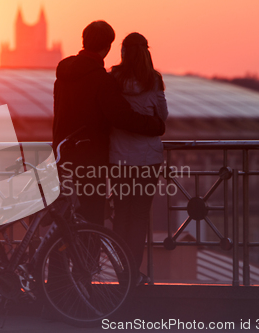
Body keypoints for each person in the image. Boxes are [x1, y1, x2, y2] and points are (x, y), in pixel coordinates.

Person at [52, 21, 165, 228]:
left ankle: (55, 260)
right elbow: (122, 116)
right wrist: (155, 126)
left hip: (62, 155)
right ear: (107, 47)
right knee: (91, 219)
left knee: (63, 219)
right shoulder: (101, 80)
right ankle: (86, 261)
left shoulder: (63, 75)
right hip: (90, 159)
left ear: (84, 41)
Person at [109, 32, 168, 283]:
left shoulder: (112, 79)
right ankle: (133, 271)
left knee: (121, 214)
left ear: (122, 52)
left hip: (119, 158)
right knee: (140, 215)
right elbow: (162, 115)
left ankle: (120, 269)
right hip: (147, 160)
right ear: (146, 52)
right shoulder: (153, 80)